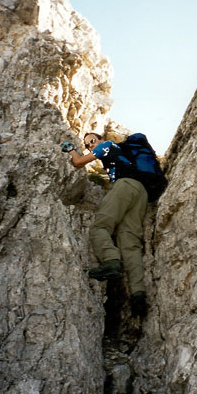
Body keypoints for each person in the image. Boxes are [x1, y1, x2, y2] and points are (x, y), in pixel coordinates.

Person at [61, 132, 148, 317]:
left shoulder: (106, 145)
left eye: (92, 141)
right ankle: (138, 296)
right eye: (87, 145)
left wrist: (72, 150)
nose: (91, 145)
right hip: (141, 192)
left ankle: (111, 262)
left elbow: (78, 162)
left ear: (101, 139)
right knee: (129, 243)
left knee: (100, 227)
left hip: (124, 186)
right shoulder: (120, 154)